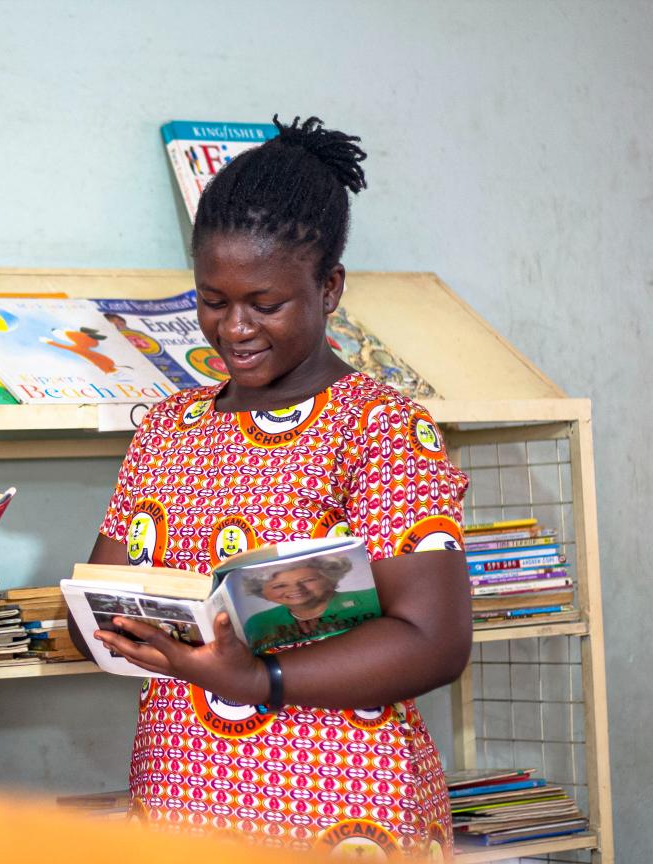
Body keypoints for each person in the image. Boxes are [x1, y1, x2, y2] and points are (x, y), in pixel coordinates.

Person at [80, 116, 471, 857]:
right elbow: (101, 604)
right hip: (182, 796)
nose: (234, 329)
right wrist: (108, 624)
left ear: (329, 287)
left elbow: (435, 641)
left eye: (265, 304)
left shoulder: (378, 426)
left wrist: (260, 679)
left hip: (342, 806)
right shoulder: (167, 428)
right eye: (212, 300)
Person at [240, 557, 381, 650]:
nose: (296, 589)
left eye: (307, 580)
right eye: (279, 586)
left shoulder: (371, 598)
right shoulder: (258, 622)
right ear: (262, 592)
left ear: (330, 579)